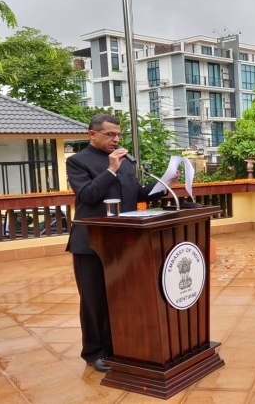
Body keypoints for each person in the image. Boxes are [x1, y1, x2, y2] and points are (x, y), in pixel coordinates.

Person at [66, 114, 169, 372]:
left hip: (124, 240)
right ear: (93, 134)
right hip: (91, 243)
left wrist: (163, 186)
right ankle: (94, 352)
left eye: (118, 135)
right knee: (94, 300)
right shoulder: (77, 162)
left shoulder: (124, 163)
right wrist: (111, 169)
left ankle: (118, 344)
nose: (116, 139)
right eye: (110, 134)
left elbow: (135, 196)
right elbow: (88, 195)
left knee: (121, 297)